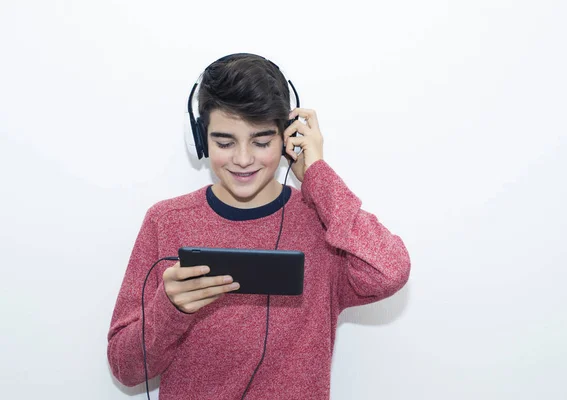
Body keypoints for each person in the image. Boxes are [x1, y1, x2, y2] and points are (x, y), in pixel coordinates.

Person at [107, 53, 411, 400]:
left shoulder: (324, 224)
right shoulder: (166, 221)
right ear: (200, 139)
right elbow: (125, 368)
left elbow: (390, 271)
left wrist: (318, 176)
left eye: (262, 141)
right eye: (224, 142)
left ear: (288, 139)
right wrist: (170, 309)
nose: (242, 158)